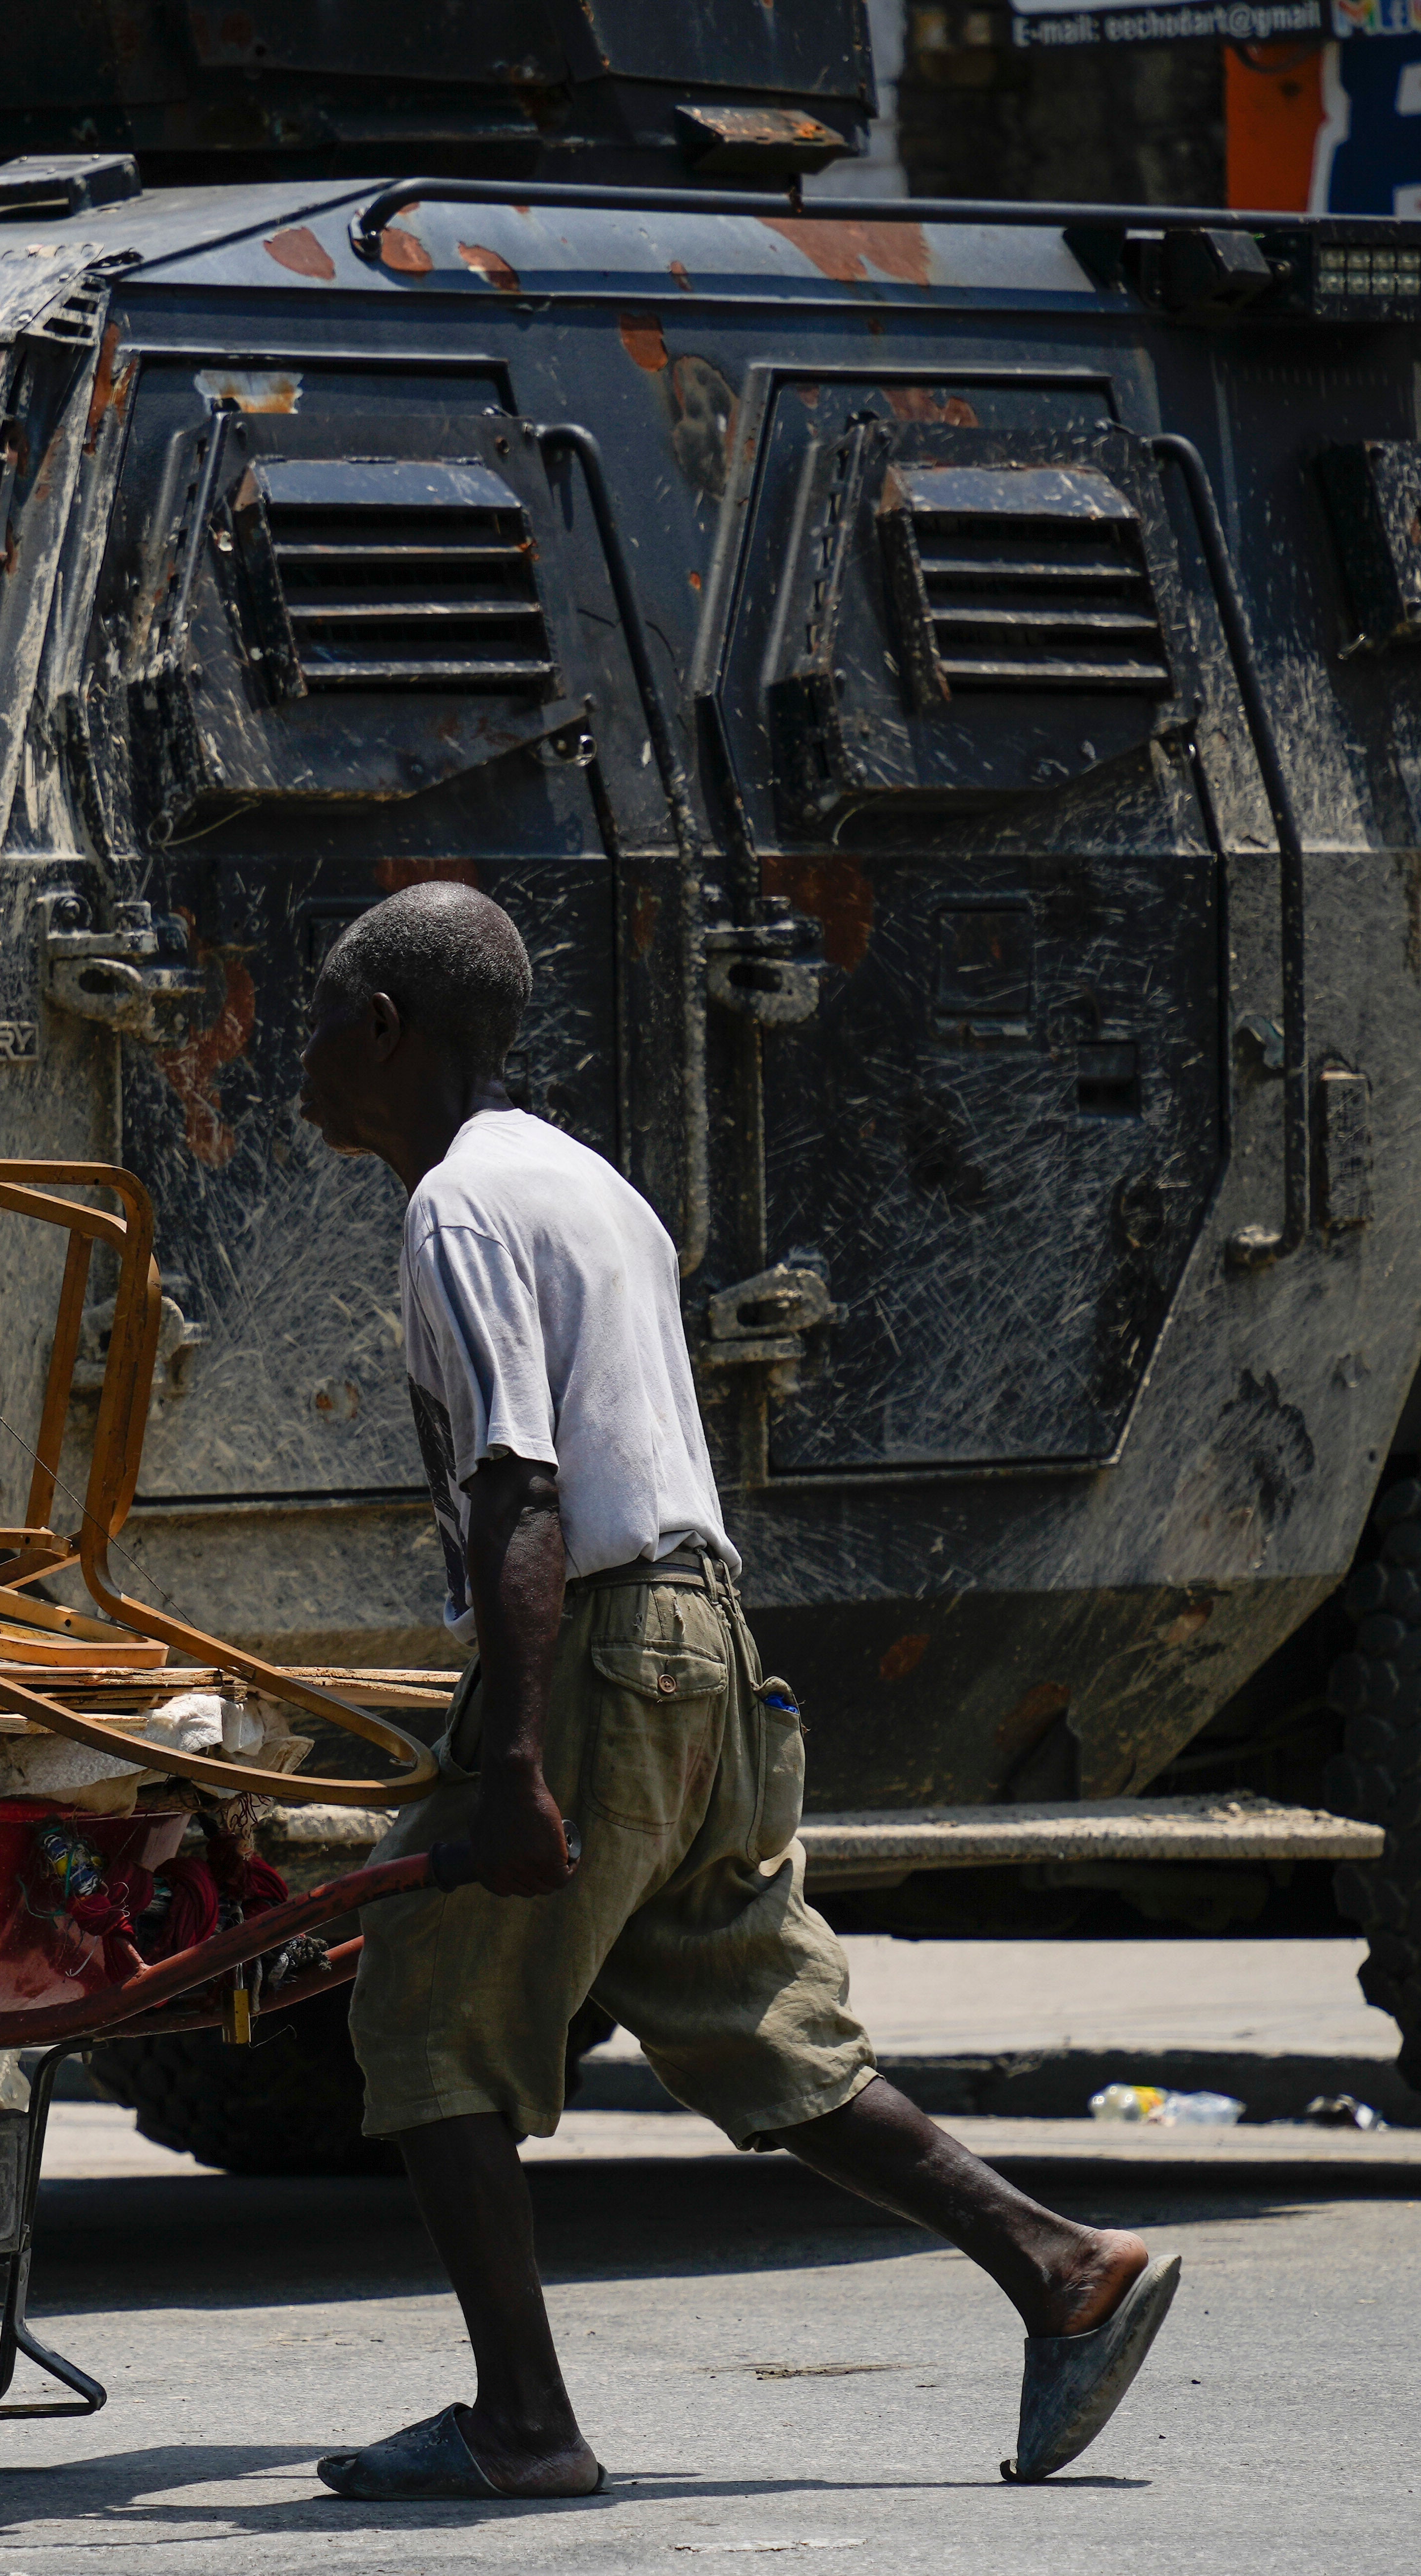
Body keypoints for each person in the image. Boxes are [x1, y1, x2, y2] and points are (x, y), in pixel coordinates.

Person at [290, 882, 1178, 2501]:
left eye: (317, 1016)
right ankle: (1063, 2268)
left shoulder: (461, 1208)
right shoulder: (592, 1185)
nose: (299, 1053)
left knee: (425, 2009)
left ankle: (525, 2427)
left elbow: (518, 1485)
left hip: (605, 1648)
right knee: (744, 2014)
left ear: (384, 1028)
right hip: (706, 1643)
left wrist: (514, 1762)